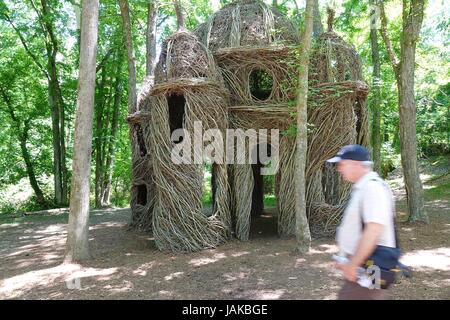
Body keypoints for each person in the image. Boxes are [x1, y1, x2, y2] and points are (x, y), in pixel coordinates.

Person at [327, 144, 397, 300]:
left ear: (355, 164)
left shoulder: (372, 188)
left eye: (341, 164)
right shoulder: (363, 187)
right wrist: (345, 259)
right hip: (363, 269)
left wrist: (353, 264)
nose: (339, 169)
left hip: (368, 270)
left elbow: (374, 230)